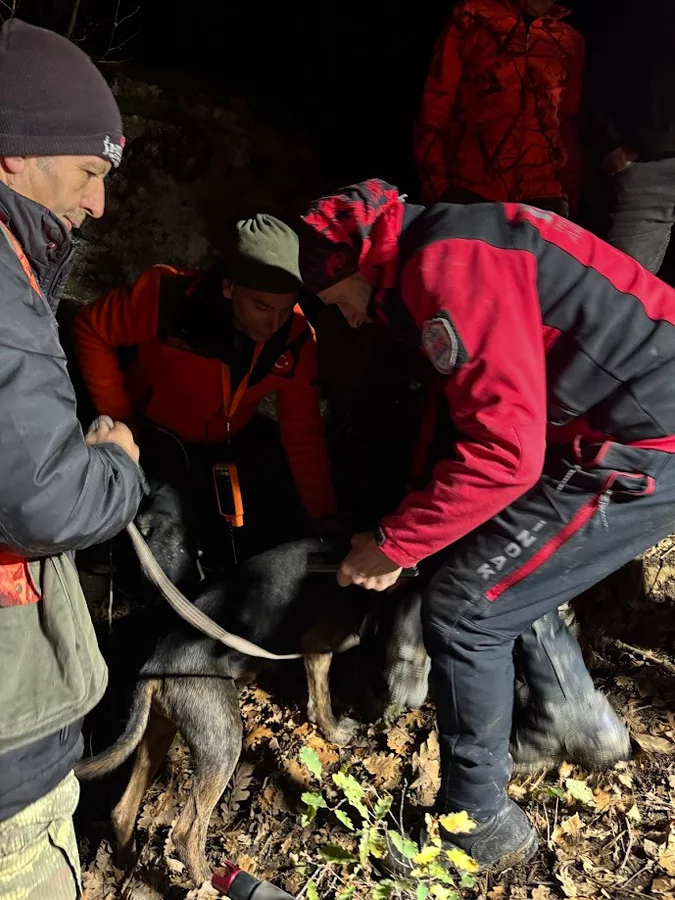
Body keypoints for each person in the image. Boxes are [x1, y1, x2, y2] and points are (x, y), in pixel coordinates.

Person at [297, 178, 675, 872]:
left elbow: (505, 453)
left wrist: (394, 545)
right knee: (489, 559)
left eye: (335, 300)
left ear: (355, 264)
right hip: (620, 425)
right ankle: (568, 716)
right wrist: (412, 518)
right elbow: (473, 415)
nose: (345, 319)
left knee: (466, 609)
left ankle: (478, 823)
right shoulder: (451, 240)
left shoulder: (446, 270)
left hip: (644, 444)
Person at [0, 19, 145, 900]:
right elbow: (43, 501)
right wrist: (116, 457)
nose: (96, 205)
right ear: (15, 152)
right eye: (88, 172)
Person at [73, 216, 336, 566]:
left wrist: (324, 516)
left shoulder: (296, 340)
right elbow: (91, 329)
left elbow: (302, 433)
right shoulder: (167, 299)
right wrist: (120, 417)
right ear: (228, 287)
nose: (274, 324)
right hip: (154, 437)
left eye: (285, 310)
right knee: (166, 551)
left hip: (226, 445)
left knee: (252, 537)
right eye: (261, 307)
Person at [416, 0, 584, 216]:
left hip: (544, 197)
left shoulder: (569, 40)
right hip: (469, 191)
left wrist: (569, 196)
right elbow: (436, 105)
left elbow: (568, 122)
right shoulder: (473, 17)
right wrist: (437, 190)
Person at [585, 0, 675, 274]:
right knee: (620, 283)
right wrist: (612, 144)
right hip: (650, 164)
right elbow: (599, 72)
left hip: (650, 155)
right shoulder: (644, 13)